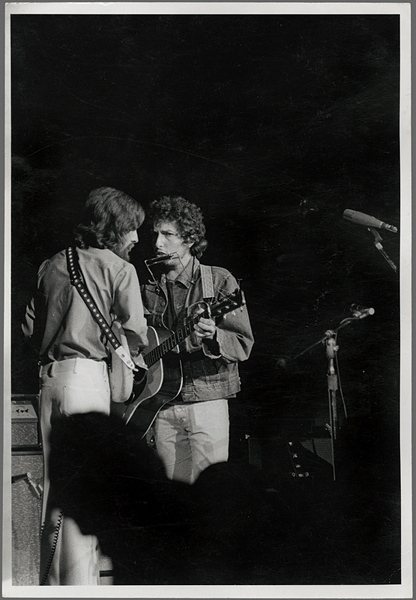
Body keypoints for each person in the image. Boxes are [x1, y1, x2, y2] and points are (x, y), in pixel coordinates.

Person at [21, 186, 148, 585]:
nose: (137, 238)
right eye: (132, 229)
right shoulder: (119, 269)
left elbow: (29, 329)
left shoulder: (52, 264)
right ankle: (81, 589)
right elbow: (136, 334)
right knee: (86, 493)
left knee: (54, 492)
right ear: (114, 228)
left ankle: (54, 586)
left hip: (50, 381)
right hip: (87, 378)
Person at [139, 195, 254, 485]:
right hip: (162, 404)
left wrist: (214, 335)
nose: (157, 243)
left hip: (207, 400)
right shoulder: (148, 290)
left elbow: (243, 343)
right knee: (172, 498)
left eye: (167, 235)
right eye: (155, 234)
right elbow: (137, 344)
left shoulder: (217, 281)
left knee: (211, 496)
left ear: (189, 239)